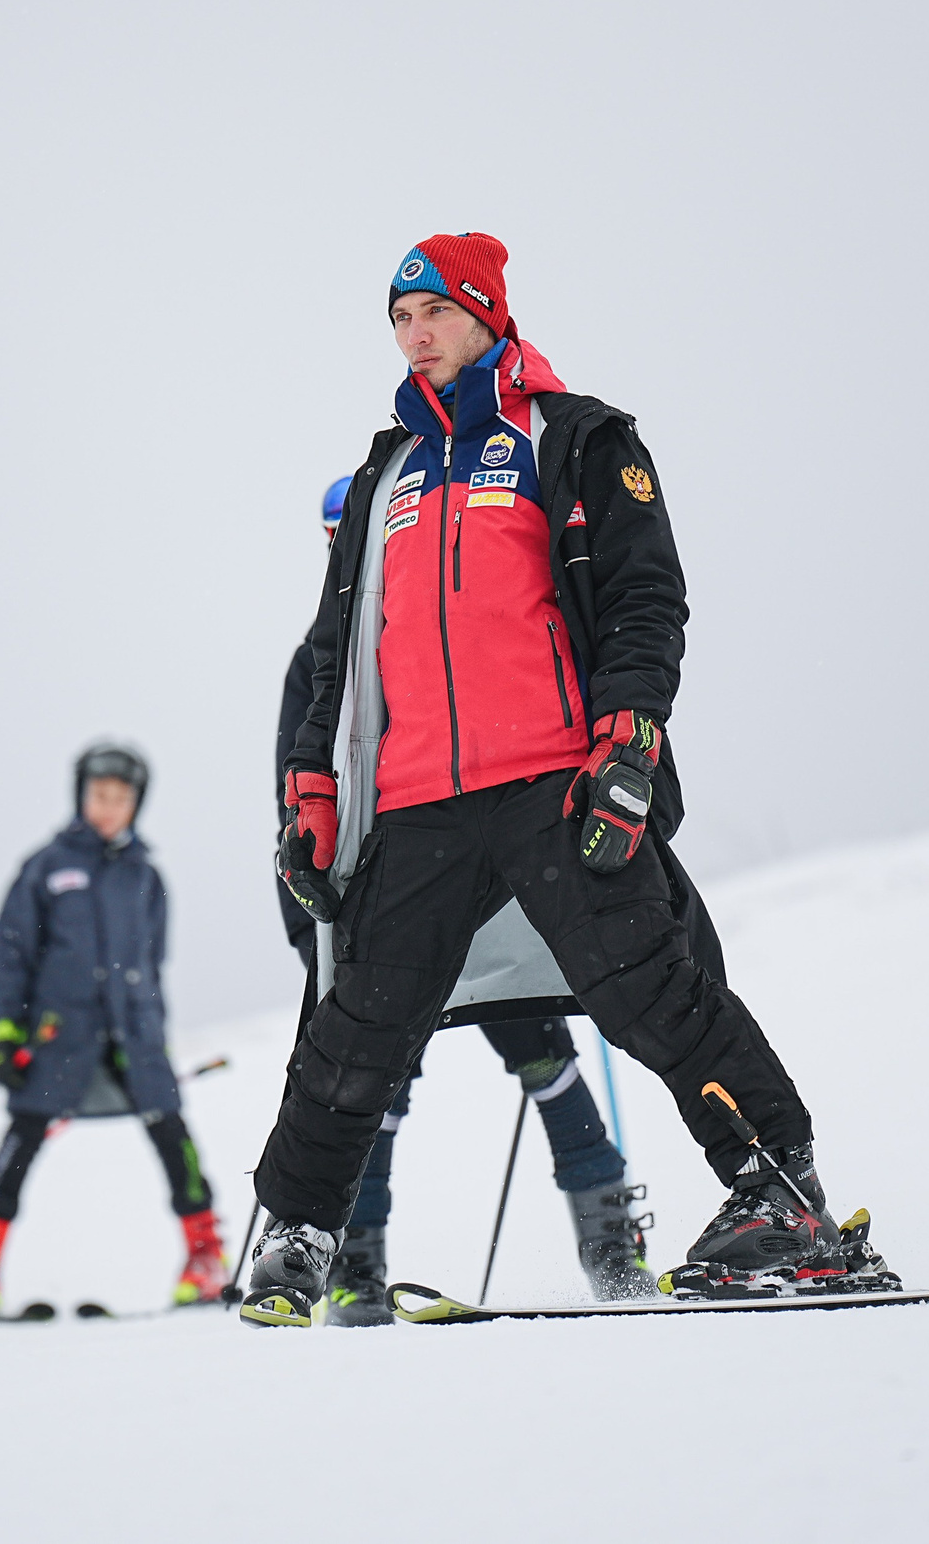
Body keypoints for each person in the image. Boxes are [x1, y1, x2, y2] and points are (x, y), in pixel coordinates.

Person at [244, 233, 889, 1327]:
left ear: (485, 313)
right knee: (359, 1019)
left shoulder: (574, 435)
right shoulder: (384, 474)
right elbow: (335, 652)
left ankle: (781, 1194)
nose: (416, 337)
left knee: (650, 987)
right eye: (400, 323)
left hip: (554, 776)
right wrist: (313, 794)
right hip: (417, 800)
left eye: (434, 314)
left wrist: (627, 744)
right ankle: (302, 1232)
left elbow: (644, 600)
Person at [276, 476, 654, 1324]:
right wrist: (314, 929)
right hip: (386, 906)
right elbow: (294, 798)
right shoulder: (323, 660)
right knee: (378, 1079)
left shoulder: (446, 620)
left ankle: (612, 1249)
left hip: (497, 894)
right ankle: (354, 1266)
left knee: (545, 1058)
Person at [0, 742, 229, 1315]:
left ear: (137, 805)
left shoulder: (145, 878)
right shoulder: (47, 868)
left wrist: (154, 1032)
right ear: (81, 796)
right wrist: (9, 1033)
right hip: (60, 1036)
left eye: (121, 798)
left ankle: (205, 1260)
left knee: (174, 1139)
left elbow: (154, 966)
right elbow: (13, 955)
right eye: (99, 795)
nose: (109, 807)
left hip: (134, 1037)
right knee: (23, 1139)